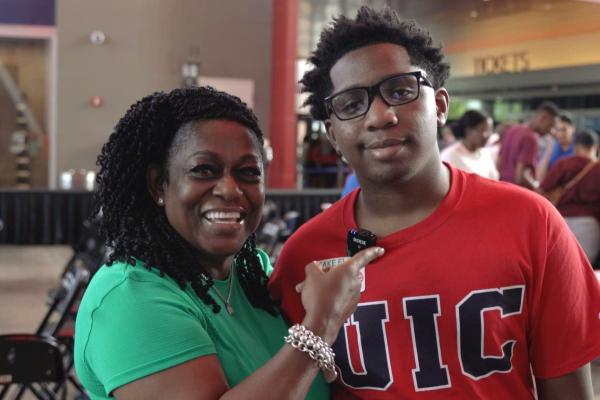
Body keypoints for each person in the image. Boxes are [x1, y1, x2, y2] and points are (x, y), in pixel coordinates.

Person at [268, 7, 600, 400]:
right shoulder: (304, 257)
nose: (380, 115)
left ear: (440, 105)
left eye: (400, 90)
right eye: (351, 103)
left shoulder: (532, 224)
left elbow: (569, 391)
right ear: (334, 135)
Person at [73, 86, 384, 400]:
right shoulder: (129, 298)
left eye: (248, 172)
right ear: (158, 185)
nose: (230, 189)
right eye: (204, 170)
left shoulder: (253, 275)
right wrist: (320, 324)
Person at [540, 129, 600, 264]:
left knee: (561, 269)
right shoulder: (598, 168)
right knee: (584, 270)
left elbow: (542, 189)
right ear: (595, 147)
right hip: (589, 225)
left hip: (560, 223)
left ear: (576, 147)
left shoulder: (564, 164)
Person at [498, 101, 560, 189]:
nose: (550, 131)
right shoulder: (530, 138)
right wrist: (538, 189)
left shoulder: (512, 130)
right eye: (550, 126)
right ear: (543, 118)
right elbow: (521, 177)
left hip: (502, 189)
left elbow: (498, 163)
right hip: (518, 194)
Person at [440, 109, 498, 179]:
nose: (488, 135)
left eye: (490, 130)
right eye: (483, 130)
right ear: (469, 130)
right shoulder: (450, 156)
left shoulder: (485, 153)